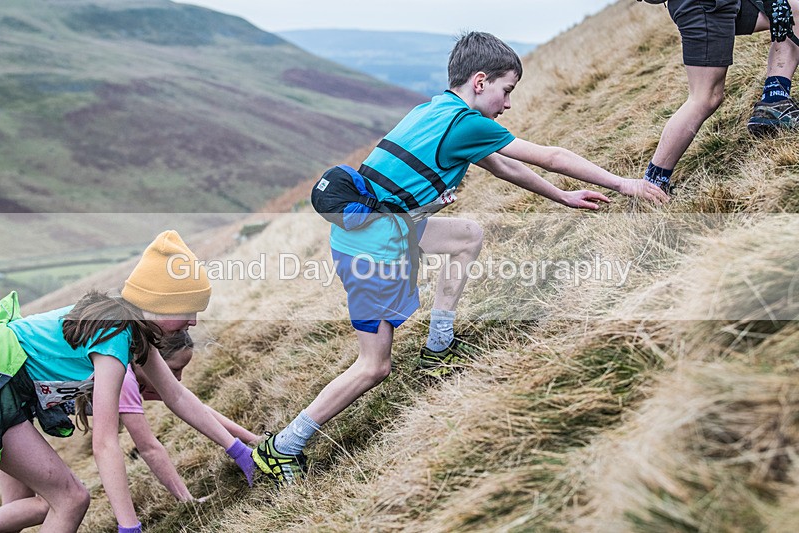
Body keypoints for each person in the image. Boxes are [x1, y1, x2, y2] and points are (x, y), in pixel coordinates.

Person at [250, 31, 668, 486]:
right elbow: (551, 155)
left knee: (467, 235)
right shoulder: (464, 123)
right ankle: (282, 447)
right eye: (507, 91)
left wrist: (561, 197)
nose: (507, 104)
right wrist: (626, 185)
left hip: (385, 232)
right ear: (481, 81)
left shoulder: (433, 110)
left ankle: (439, 345)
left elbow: (503, 165)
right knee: (374, 366)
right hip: (372, 249)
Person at [0, 230, 256, 533]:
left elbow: (177, 397)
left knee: (22, 505)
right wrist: (129, 526)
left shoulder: (131, 329)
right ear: (159, 304)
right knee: (70, 499)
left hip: (11, 391)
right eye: (188, 310)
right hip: (5, 388)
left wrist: (239, 451)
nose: (194, 321)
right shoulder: (114, 336)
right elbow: (105, 443)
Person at [0, 330, 259, 524]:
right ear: (148, 359)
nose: (177, 378)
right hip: (9, 412)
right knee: (53, 504)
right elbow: (148, 447)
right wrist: (186, 500)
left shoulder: (136, 373)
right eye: (174, 369)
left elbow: (196, 408)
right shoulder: (124, 378)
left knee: (18, 510)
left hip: (14, 413)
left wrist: (251, 440)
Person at [642, 0, 799, 194]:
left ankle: (775, 100)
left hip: (731, 2)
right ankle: (652, 184)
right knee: (704, 99)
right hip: (704, 6)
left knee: (794, 11)